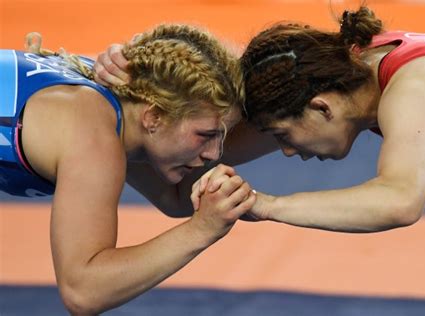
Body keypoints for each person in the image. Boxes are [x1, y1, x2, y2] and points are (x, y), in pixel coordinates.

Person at [95, 7, 425, 234]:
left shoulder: (415, 90)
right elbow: (180, 189)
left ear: (322, 108)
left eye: (283, 136)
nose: (288, 151)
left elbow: (400, 202)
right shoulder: (334, 68)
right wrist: (129, 88)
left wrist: (268, 205)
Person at [0, 25, 256, 314]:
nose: (215, 154)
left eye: (222, 136)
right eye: (206, 134)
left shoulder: (120, 100)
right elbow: (83, 290)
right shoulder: (93, 139)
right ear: (154, 117)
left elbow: (177, 197)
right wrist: (201, 230)